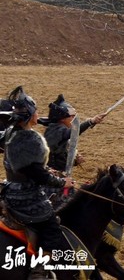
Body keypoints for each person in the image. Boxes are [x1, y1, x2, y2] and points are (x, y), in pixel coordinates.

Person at [1, 86, 74, 275]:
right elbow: (37, 174)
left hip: (9, 189)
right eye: (36, 111)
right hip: (27, 196)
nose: (38, 114)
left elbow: (25, 165)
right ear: (30, 115)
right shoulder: (29, 138)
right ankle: (39, 271)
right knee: (52, 230)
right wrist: (62, 183)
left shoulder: (10, 132)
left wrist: (48, 170)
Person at [42, 94, 106, 172]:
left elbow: (62, 157)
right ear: (62, 118)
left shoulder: (58, 129)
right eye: (71, 117)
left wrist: (74, 160)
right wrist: (90, 122)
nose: (73, 119)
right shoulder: (54, 131)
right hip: (50, 175)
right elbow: (72, 133)